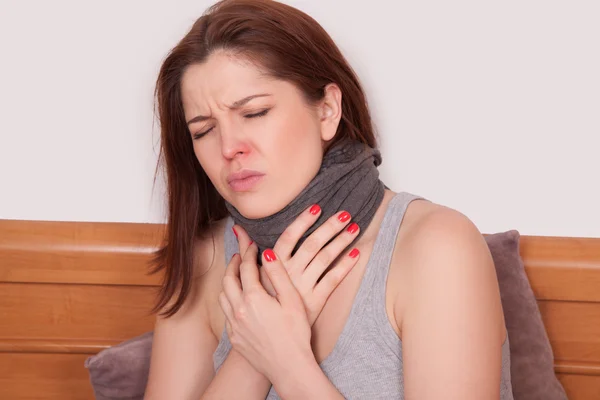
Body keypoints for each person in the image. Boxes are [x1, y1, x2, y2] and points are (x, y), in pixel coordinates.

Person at [144, 0, 514, 399]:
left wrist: (286, 362)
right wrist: (251, 353)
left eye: (254, 113)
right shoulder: (207, 260)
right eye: (203, 131)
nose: (230, 147)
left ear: (327, 111)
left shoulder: (437, 247)